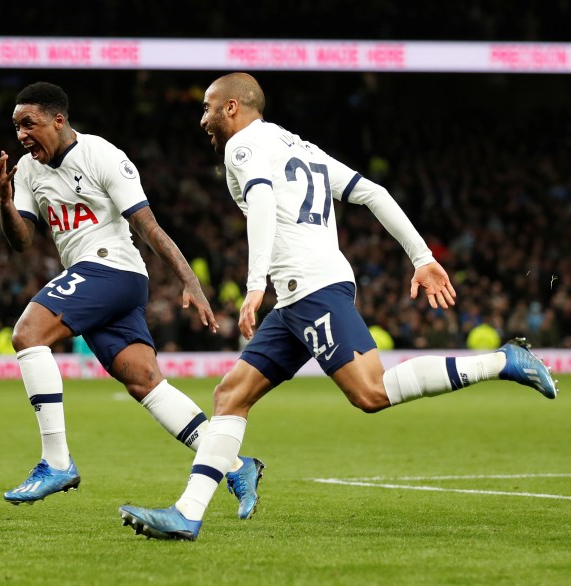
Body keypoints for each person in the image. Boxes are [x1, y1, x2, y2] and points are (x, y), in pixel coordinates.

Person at [118, 72, 558, 541]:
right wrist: (422, 257)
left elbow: (263, 200)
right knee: (231, 395)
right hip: (300, 295)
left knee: (370, 393)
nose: (201, 118)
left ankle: (503, 360)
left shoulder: (242, 146)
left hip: (310, 286)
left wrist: (253, 283)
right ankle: (188, 512)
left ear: (232, 107)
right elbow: (373, 192)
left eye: (207, 107)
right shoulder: (300, 146)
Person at [0, 82, 264, 513]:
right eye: (16, 126)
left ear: (59, 120)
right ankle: (233, 464)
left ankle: (56, 461)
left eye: (30, 124)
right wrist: (5, 202)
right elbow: (21, 241)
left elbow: (147, 226)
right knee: (144, 382)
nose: (21, 134)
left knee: (27, 335)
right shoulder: (26, 171)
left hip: (112, 268)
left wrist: (189, 280)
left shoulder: (102, 155)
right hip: (94, 278)